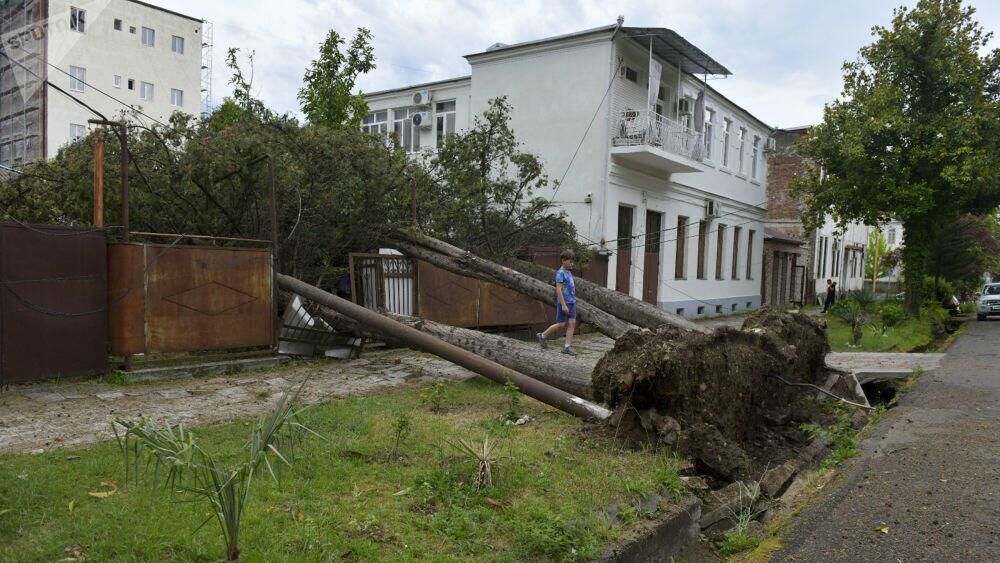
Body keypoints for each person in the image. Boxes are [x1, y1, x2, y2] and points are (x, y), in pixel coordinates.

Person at [537, 250, 578, 356]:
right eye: (570, 262)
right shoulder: (560, 274)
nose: (572, 264)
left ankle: (567, 347)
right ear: (563, 261)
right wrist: (563, 304)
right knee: (561, 324)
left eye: (573, 262)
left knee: (572, 323)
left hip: (572, 302)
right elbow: (558, 289)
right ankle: (543, 335)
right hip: (564, 303)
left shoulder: (568, 272)